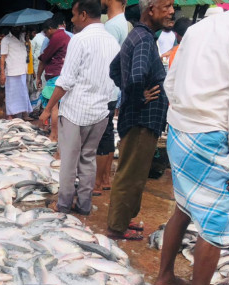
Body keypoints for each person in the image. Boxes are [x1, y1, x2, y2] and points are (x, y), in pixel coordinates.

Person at [156, 2, 229, 285]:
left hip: (181, 128)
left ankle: (165, 276)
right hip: (211, 134)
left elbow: (171, 81)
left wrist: (181, 114)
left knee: (184, 206)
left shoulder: (197, 29)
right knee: (216, 217)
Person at [41, 0, 119, 215]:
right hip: (101, 112)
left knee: (68, 160)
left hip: (76, 112)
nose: (72, 20)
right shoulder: (112, 41)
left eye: (74, 16)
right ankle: (84, 204)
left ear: (83, 15)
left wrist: (48, 109)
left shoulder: (79, 40)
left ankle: (64, 204)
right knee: (88, 158)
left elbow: (65, 81)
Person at [107, 0, 174, 240]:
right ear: (151, 9)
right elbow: (135, 77)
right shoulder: (145, 39)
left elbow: (114, 69)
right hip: (141, 121)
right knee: (131, 176)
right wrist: (139, 97)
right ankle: (116, 227)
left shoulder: (137, 35)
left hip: (136, 118)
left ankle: (123, 219)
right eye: (167, 6)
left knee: (133, 172)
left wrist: (129, 94)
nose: (171, 11)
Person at [94, 0, 129, 196]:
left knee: (103, 134)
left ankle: (99, 181)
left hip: (107, 88)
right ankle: (105, 178)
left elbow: (108, 63)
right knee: (107, 132)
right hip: (114, 90)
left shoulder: (111, 27)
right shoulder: (121, 23)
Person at [37, 18, 70, 141]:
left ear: (50, 29)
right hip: (63, 74)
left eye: (46, 32)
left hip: (55, 75)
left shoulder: (57, 37)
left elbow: (45, 57)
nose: (46, 36)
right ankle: (57, 133)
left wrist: (38, 76)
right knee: (60, 107)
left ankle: (54, 134)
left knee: (53, 106)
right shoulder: (66, 36)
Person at [1, 26, 32, 120]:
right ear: (11, 28)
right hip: (11, 72)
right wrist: (2, 73)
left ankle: (22, 115)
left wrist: (27, 41)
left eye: (19, 27)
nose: (18, 29)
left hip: (22, 71)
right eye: (15, 28)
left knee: (22, 94)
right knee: (11, 96)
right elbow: (2, 58)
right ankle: (10, 116)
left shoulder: (23, 38)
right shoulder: (6, 40)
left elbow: (27, 52)